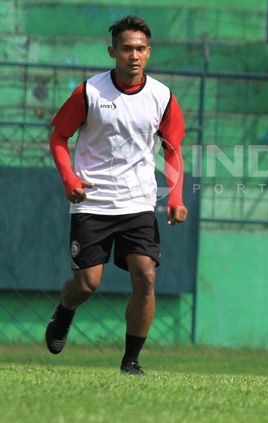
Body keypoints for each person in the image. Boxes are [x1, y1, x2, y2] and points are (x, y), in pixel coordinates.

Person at [45, 15, 188, 375]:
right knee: (87, 284)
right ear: (113, 51)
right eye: (126, 48)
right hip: (92, 202)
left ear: (149, 52)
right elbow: (58, 137)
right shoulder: (89, 92)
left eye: (140, 49)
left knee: (146, 275)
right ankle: (64, 313)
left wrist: (175, 196)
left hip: (139, 202)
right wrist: (69, 180)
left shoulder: (162, 97)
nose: (134, 55)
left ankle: (131, 361)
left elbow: (173, 149)